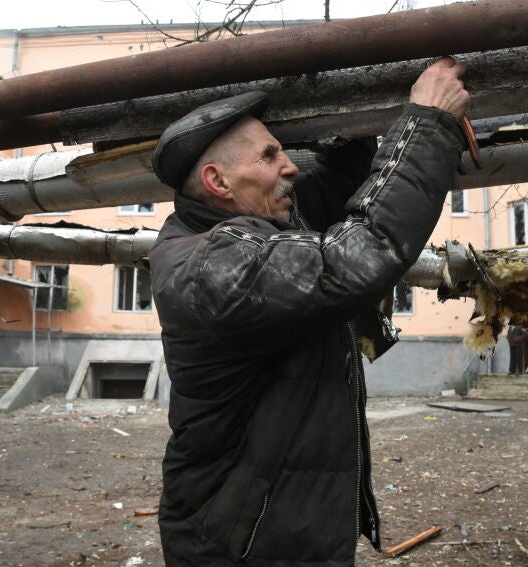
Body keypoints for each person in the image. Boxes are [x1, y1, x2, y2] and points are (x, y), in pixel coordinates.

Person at [148, 57, 469, 566]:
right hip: (243, 547)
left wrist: (347, 134)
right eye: (271, 155)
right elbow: (356, 256)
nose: (290, 166)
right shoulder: (209, 265)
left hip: (268, 535)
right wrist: (427, 124)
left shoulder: (247, 228)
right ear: (218, 182)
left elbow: (326, 198)